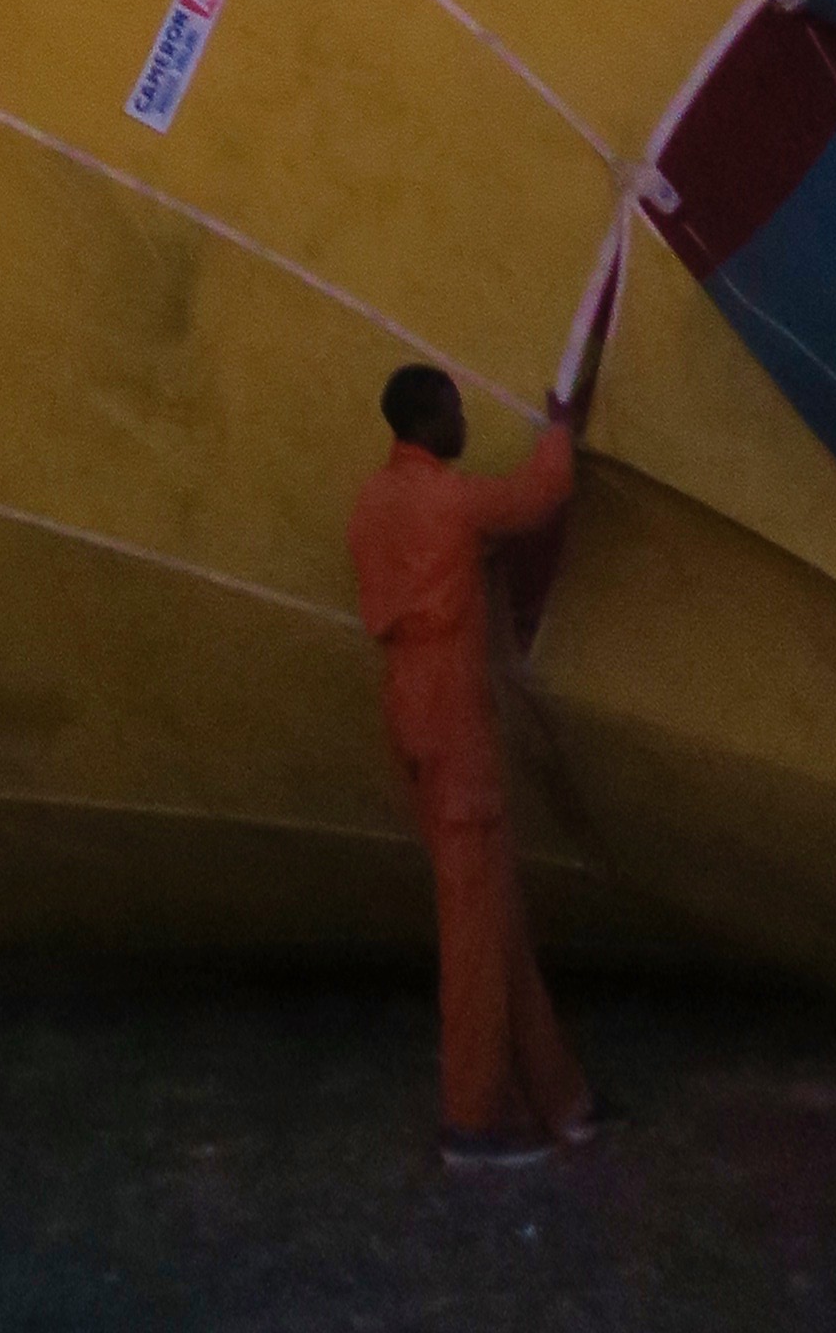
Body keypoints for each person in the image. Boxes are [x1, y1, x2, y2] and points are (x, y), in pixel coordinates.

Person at [347, 360, 597, 1171]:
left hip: (408, 708)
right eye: (455, 411)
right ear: (428, 422)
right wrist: (560, 426)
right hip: (453, 722)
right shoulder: (447, 500)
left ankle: (561, 1099)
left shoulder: (374, 501)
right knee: (474, 935)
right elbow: (536, 496)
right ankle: (472, 1118)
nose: (464, 423)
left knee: (493, 916)